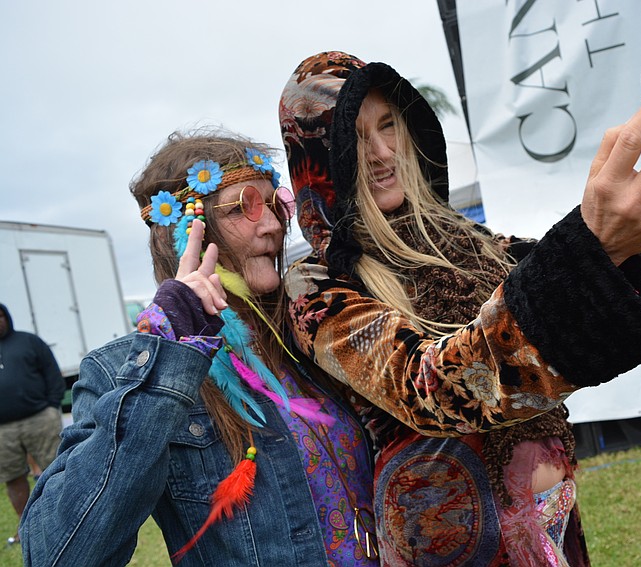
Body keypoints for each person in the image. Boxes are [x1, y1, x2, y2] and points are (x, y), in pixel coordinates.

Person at [279, 51, 641, 566]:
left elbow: (556, 275)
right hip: (454, 542)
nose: (381, 152)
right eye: (353, 138)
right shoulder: (316, 283)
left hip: (544, 518)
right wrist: (593, 243)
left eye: (389, 124)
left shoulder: (460, 237)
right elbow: (433, 389)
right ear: (319, 160)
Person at [20, 130, 381, 566]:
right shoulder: (120, 371)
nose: (271, 224)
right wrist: (167, 356)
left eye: (273, 203)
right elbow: (56, 554)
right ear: (185, 229)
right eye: (244, 205)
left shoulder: (309, 328)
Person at [0, 303, 65, 546]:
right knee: (13, 477)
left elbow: (52, 372)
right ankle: (25, 527)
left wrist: (51, 406)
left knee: (55, 469)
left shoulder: (28, 341)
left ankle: (63, 520)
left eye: (1, 315)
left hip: (39, 419)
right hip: (2, 430)